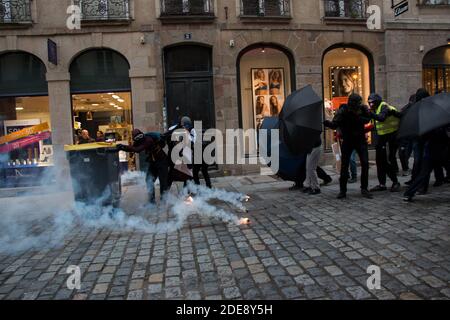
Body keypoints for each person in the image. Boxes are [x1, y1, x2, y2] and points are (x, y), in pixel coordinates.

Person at [324, 93, 373, 199]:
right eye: (357, 102)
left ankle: (364, 188)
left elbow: (367, 119)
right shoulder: (344, 110)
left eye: (359, 103)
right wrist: (327, 123)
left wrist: (362, 114)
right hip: (348, 140)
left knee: (365, 164)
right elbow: (335, 124)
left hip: (360, 140)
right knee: (344, 165)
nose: (358, 104)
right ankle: (343, 190)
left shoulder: (362, 109)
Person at [117, 129, 169, 204]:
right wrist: (122, 148)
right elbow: (132, 148)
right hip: (153, 163)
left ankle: (164, 201)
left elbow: (138, 149)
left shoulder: (148, 140)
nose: (139, 138)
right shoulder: (139, 141)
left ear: (142, 134)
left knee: (163, 182)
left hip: (162, 162)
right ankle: (151, 201)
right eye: (137, 138)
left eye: (140, 136)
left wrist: (123, 147)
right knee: (149, 180)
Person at [403, 125, 449, 202]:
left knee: (423, 174)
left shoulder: (440, 125)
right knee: (423, 174)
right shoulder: (429, 127)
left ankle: (409, 193)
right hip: (431, 154)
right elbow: (424, 139)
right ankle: (409, 193)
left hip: (440, 153)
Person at [367, 93, 401, 193]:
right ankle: (382, 184)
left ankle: (395, 182)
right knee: (379, 161)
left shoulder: (384, 106)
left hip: (391, 137)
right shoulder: (376, 109)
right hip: (383, 138)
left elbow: (382, 118)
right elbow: (375, 124)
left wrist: (371, 114)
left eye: (372, 103)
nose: (371, 105)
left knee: (386, 161)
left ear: (377, 101)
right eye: (369, 103)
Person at [180, 116, 212, 189]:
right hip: (199, 154)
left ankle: (208, 188)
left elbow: (194, 143)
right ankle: (200, 188)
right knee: (197, 172)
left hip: (202, 154)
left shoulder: (193, 131)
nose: (183, 128)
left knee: (202, 171)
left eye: (184, 126)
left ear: (187, 125)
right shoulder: (188, 132)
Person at [398, 94, 416, 176]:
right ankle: (407, 168)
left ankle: (406, 168)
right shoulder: (412, 108)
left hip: (405, 134)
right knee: (406, 152)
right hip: (410, 134)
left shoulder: (404, 109)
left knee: (404, 152)